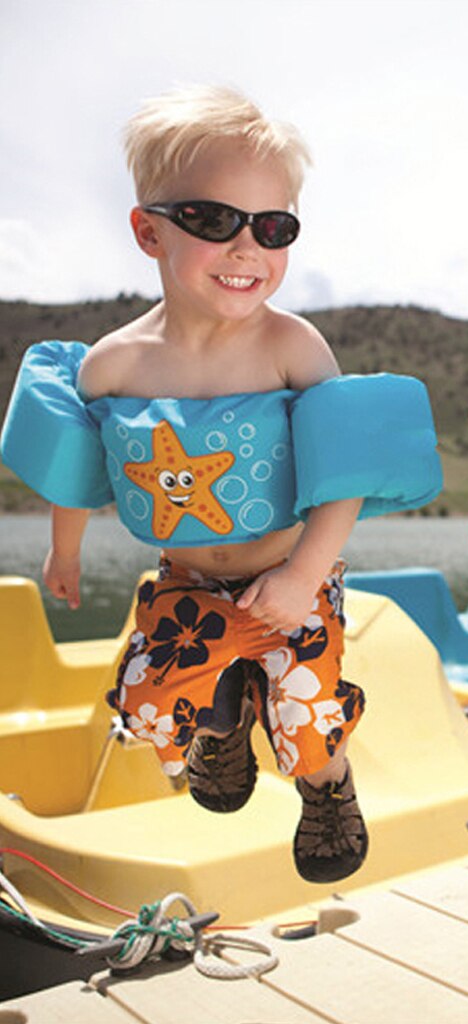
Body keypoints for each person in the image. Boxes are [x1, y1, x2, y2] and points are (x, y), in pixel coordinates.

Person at [0, 85, 442, 883]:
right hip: (188, 580)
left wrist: (305, 573)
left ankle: (328, 788)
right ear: (148, 231)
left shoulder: (293, 349)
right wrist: (66, 553)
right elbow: (77, 470)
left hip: (291, 578)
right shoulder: (114, 365)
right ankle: (220, 722)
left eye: (272, 228)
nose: (247, 249)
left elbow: (341, 479)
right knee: (141, 698)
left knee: (307, 723)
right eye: (212, 221)